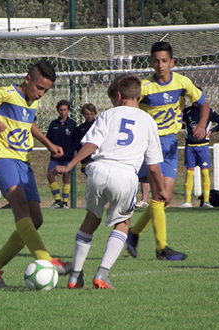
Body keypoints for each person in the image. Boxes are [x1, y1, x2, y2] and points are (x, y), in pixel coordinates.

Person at [0, 60, 72, 288]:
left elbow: (28, 123)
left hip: (23, 161)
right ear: (27, 79)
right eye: (39, 88)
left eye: (46, 90)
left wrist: (49, 143)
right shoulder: (6, 93)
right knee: (19, 204)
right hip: (1, 157)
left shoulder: (32, 102)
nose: (41, 93)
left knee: (36, 219)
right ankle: (46, 258)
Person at [54, 74, 167, 289]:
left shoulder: (107, 115)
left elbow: (92, 145)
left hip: (98, 170)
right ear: (138, 95)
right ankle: (102, 274)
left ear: (117, 96)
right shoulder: (148, 121)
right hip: (125, 174)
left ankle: (75, 276)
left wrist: (70, 165)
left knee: (90, 220)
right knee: (123, 223)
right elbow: (153, 166)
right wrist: (160, 190)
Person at [126, 41, 211, 261]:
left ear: (172, 62)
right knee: (159, 195)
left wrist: (201, 125)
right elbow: (126, 106)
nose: (160, 64)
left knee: (165, 199)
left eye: (164, 60)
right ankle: (161, 248)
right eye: (156, 61)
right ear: (150, 62)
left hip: (171, 143)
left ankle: (133, 233)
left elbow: (204, 104)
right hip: (149, 144)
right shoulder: (144, 87)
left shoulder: (182, 82)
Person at [180, 88, 219, 208]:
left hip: (203, 146)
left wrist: (212, 131)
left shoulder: (208, 111)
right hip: (190, 146)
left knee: (205, 173)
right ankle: (187, 201)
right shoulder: (187, 111)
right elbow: (180, 123)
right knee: (189, 173)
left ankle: (206, 201)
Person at [46, 100, 77, 209]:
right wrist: (52, 150)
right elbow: (48, 139)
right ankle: (57, 200)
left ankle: (65, 202)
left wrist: (68, 153)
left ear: (68, 110)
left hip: (67, 157)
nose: (62, 112)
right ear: (57, 110)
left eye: (65, 110)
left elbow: (75, 142)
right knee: (50, 174)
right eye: (60, 110)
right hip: (55, 156)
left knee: (66, 177)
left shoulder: (72, 125)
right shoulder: (54, 124)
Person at [73, 103, 97, 175]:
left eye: (91, 114)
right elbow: (77, 143)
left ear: (95, 113)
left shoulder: (98, 125)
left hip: (96, 157)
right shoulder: (81, 128)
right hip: (85, 158)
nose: (89, 116)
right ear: (83, 115)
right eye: (87, 114)